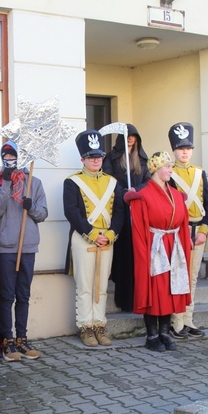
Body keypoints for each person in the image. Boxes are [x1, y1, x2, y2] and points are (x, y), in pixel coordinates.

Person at [125, 151, 192, 352]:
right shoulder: (142, 196)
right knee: (155, 290)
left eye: (171, 167)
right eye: (167, 167)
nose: (171, 170)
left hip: (173, 245)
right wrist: (143, 254)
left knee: (171, 289)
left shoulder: (176, 194)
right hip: (154, 246)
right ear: (155, 169)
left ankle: (164, 332)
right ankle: (152, 335)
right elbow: (138, 229)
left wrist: (184, 241)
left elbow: (183, 222)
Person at [63, 129, 124, 347]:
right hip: (84, 238)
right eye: (91, 157)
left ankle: (100, 324)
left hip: (107, 239)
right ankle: (86, 327)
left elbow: (119, 212)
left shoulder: (112, 182)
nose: (96, 160)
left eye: (98, 156)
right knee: (85, 285)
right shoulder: (72, 182)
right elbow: (71, 212)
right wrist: (92, 234)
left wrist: (109, 234)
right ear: (83, 159)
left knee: (101, 285)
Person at [0, 141, 48, 361]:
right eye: (6, 156)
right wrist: (6, 183)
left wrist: (30, 206)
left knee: (23, 295)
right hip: (7, 246)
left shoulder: (35, 181)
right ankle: (7, 341)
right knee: (7, 296)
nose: (10, 159)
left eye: (13, 155)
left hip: (28, 246)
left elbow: (43, 214)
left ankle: (22, 339)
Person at [167, 122, 208, 340]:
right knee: (178, 276)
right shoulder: (169, 173)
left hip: (198, 231)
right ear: (173, 151)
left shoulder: (199, 173)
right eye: (180, 148)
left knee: (192, 277)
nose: (185, 152)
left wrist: (204, 231)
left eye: (188, 148)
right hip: (178, 232)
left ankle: (188, 318)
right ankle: (176, 321)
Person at [102, 124, 150, 312]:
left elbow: (148, 181)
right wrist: (123, 193)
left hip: (138, 209)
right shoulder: (111, 158)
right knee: (122, 256)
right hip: (119, 209)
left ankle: (138, 298)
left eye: (133, 135)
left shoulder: (142, 159)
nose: (130, 138)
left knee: (137, 254)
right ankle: (123, 299)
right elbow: (108, 179)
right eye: (127, 135)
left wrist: (136, 191)